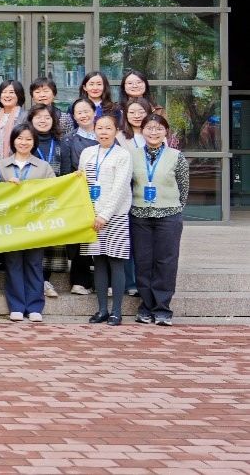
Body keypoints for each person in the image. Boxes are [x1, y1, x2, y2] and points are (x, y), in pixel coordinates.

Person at [130, 114, 188, 326]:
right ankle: (146, 307)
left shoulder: (176, 156)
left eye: (158, 128)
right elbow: (129, 184)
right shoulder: (132, 155)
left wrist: (173, 207)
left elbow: (183, 188)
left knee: (166, 262)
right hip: (140, 216)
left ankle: (163, 308)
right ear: (142, 130)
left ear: (166, 132)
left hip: (168, 216)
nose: (153, 132)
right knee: (143, 262)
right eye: (149, 128)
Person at [0, 124, 58, 322]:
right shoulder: (2, 165)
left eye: (28, 139)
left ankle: (34, 306)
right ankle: (16, 306)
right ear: (13, 140)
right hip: (11, 223)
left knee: (34, 263)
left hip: (35, 223)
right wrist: (5, 187)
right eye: (20, 138)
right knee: (13, 263)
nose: (23, 142)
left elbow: (55, 191)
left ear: (34, 142)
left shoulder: (43, 166)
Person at [80, 113, 133, 326]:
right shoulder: (87, 153)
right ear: (94, 130)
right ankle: (102, 309)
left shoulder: (123, 155)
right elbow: (81, 182)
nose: (103, 132)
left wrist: (105, 215)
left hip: (115, 216)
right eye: (100, 128)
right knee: (99, 262)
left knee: (116, 262)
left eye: (108, 128)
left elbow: (120, 188)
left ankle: (117, 311)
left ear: (116, 131)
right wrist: (90, 213)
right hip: (92, 217)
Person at [27, 103, 70, 298]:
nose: (43, 121)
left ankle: (45, 280)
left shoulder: (62, 143)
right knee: (31, 241)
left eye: (47, 117)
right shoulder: (26, 141)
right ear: (31, 120)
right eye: (38, 117)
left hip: (55, 200)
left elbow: (67, 173)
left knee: (51, 243)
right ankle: (32, 281)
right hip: (30, 201)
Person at [61, 98, 99, 295]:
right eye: (79, 112)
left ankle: (104, 281)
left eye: (86, 111)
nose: (83, 115)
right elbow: (66, 171)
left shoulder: (105, 133)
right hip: (80, 194)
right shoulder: (68, 139)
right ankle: (79, 281)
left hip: (103, 194)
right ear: (74, 117)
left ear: (94, 112)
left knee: (102, 236)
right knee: (81, 238)